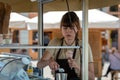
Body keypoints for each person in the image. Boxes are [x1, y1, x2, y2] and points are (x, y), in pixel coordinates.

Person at [37, 11, 95, 80]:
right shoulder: (55, 43)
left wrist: (77, 66)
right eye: (65, 28)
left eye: (71, 28)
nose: (68, 31)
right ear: (61, 29)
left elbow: (92, 77)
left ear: (77, 28)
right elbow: (39, 65)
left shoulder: (83, 46)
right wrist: (49, 61)